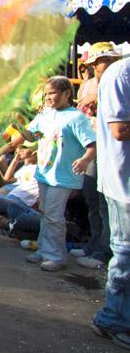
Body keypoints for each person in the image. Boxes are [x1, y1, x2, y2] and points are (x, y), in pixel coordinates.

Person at [15, 76, 97, 272]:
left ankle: (56, 256)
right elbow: (31, 135)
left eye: (52, 93)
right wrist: (16, 123)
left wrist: (84, 160)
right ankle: (44, 250)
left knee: (53, 216)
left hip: (63, 176)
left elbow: (92, 144)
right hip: (44, 173)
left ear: (66, 93)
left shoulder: (76, 118)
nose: (48, 98)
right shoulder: (45, 115)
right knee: (46, 214)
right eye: (46, 94)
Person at [91, 50, 130, 347]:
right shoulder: (121, 74)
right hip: (123, 183)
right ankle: (113, 319)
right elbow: (120, 129)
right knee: (126, 253)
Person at [74, 43, 124, 271]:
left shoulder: (119, 80)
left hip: (111, 153)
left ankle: (103, 252)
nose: (96, 67)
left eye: (100, 61)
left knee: (106, 206)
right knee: (93, 201)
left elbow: (119, 129)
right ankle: (94, 245)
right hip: (94, 149)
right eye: (93, 63)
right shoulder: (88, 85)